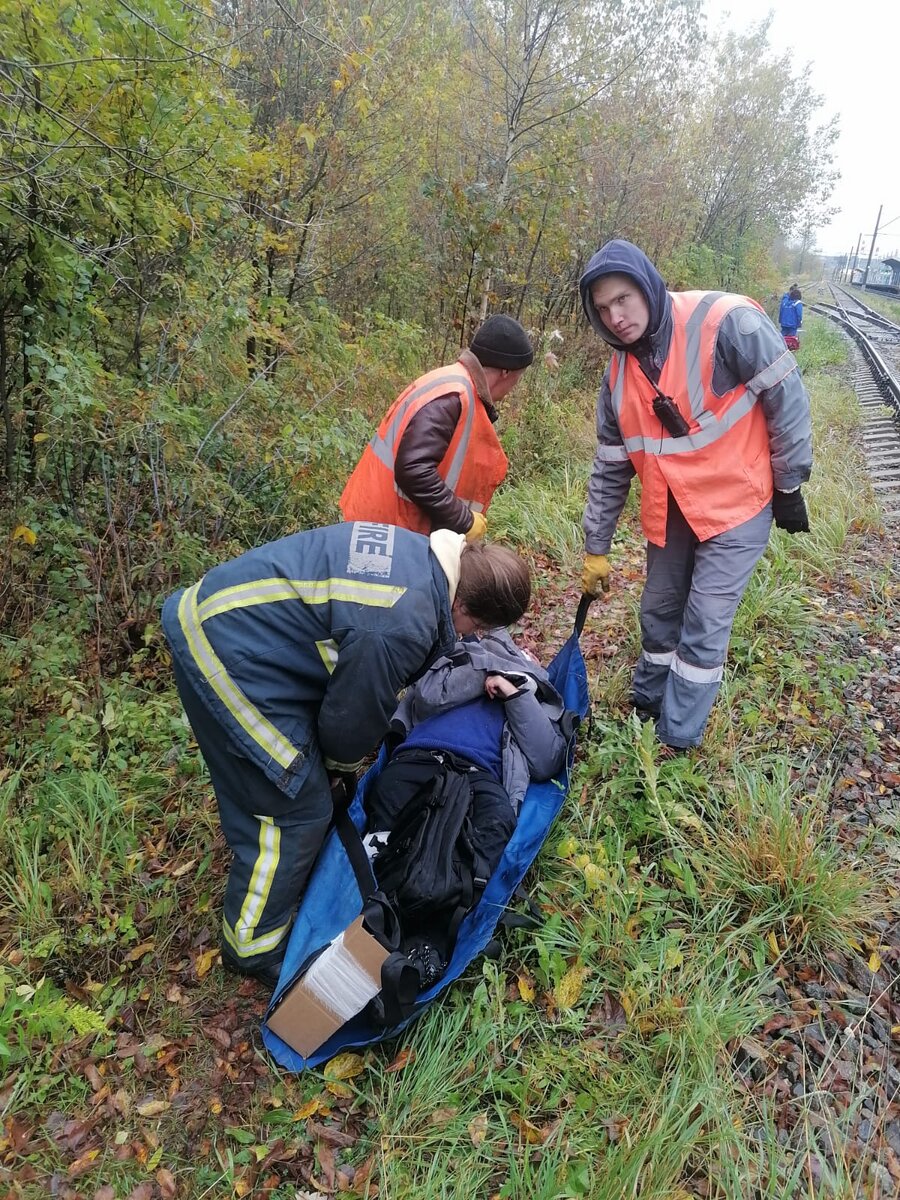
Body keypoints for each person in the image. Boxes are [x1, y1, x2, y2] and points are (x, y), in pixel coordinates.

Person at [161, 521, 531, 985]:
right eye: (474, 627)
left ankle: (264, 858)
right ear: (461, 603)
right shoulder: (404, 623)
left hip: (225, 621)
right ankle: (251, 946)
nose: (469, 637)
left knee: (264, 778)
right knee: (299, 806)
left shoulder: (424, 558)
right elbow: (349, 719)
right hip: (231, 655)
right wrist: (334, 771)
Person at [579, 239, 812, 752]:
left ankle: (675, 741)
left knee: (704, 620)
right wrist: (596, 545)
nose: (614, 316)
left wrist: (790, 482)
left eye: (622, 299)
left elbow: (786, 396)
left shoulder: (725, 322)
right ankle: (647, 702)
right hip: (672, 510)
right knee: (659, 610)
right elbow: (611, 468)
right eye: (601, 308)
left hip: (737, 503)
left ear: (647, 286)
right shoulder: (617, 375)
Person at [363, 625, 571, 979]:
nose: (519, 650)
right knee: (387, 798)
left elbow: (546, 758)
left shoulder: (535, 693)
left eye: (524, 654)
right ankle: (377, 909)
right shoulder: (455, 659)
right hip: (419, 756)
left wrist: (515, 691)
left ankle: (430, 937)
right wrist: (481, 669)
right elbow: (425, 696)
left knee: (496, 822)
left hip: (480, 774)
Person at [340, 315, 534, 540]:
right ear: (505, 372)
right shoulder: (454, 396)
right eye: (518, 378)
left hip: (387, 525)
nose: (513, 387)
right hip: (382, 530)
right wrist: (464, 519)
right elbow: (414, 470)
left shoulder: (453, 385)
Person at [779, 285, 803, 350]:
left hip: (784, 323)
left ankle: (781, 348)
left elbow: (781, 311)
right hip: (793, 324)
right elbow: (799, 314)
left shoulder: (785, 302)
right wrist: (799, 322)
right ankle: (790, 349)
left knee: (782, 337)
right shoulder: (798, 303)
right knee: (791, 338)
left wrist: (780, 320)